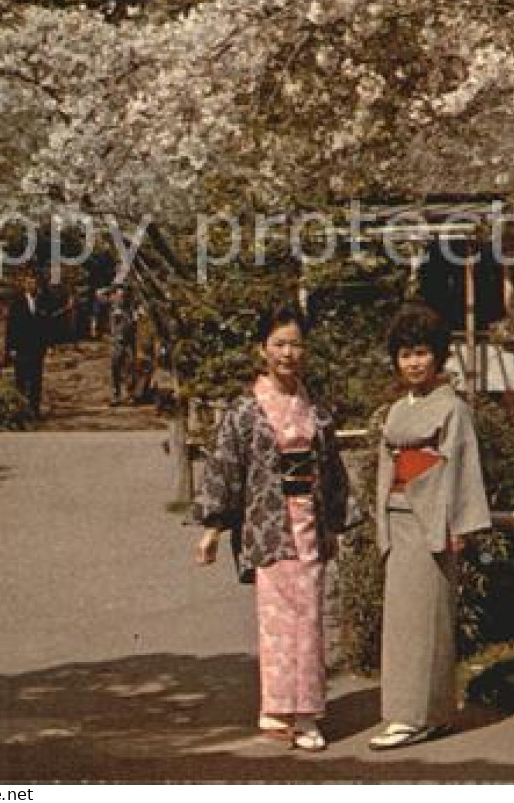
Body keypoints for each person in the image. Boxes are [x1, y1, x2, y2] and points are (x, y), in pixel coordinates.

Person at [192, 303, 362, 752]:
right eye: (279, 344)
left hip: (309, 523)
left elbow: (332, 472)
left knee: (309, 620)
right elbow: (225, 467)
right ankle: (276, 707)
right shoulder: (245, 411)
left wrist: (336, 526)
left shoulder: (316, 413)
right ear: (262, 350)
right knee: (275, 622)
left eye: (296, 344)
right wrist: (212, 527)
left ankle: (306, 714)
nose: (288, 353)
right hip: (268, 526)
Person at [368, 302, 492, 750]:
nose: (414, 362)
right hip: (399, 519)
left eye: (422, 352)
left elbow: (460, 467)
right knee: (403, 622)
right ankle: (423, 712)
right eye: (404, 354)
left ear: (438, 356)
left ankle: (417, 715)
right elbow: (387, 466)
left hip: (433, 521)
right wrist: (381, 515)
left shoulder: (452, 408)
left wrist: (457, 523)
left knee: (426, 620)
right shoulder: (397, 410)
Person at [1, 268, 59, 420]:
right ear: (24, 285)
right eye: (28, 283)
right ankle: (20, 411)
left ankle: (35, 409)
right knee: (21, 380)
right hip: (21, 347)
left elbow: (47, 325)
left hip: (37, 347)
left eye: (34, 283)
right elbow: (11, 327)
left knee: (36, 380)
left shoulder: (42, 302)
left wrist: (49, 345)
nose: (31, 286)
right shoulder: (17, 304)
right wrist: (11, 348)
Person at [103, 283, 137, 406]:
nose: (121, 298)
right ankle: (115, 395)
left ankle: (130, 394)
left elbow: (134, 324)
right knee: (115, 367)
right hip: (116, 341)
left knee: (130, 367)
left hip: (129, 341)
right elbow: (99, 295)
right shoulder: (113, 308)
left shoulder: (131, 309)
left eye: (123, 296)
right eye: (119, 295)